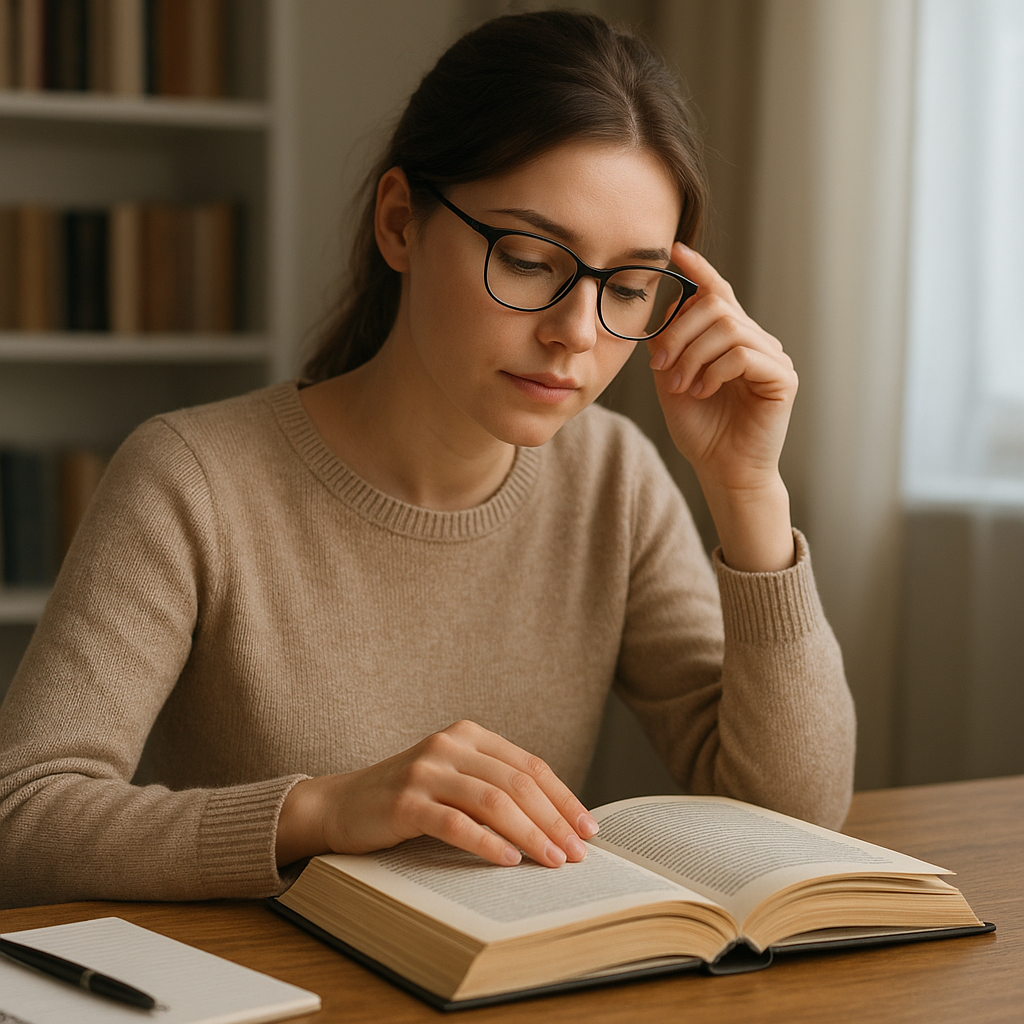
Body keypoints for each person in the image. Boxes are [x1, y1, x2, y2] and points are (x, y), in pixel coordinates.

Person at [0, 11, 854, 909]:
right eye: (529, 260)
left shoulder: (614, 479)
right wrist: (323, 810)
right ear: (402, 222)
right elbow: (21, 820)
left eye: (630, 289)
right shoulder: (192, 479)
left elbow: (792, 820)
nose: (573, 333)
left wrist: (748, 489)